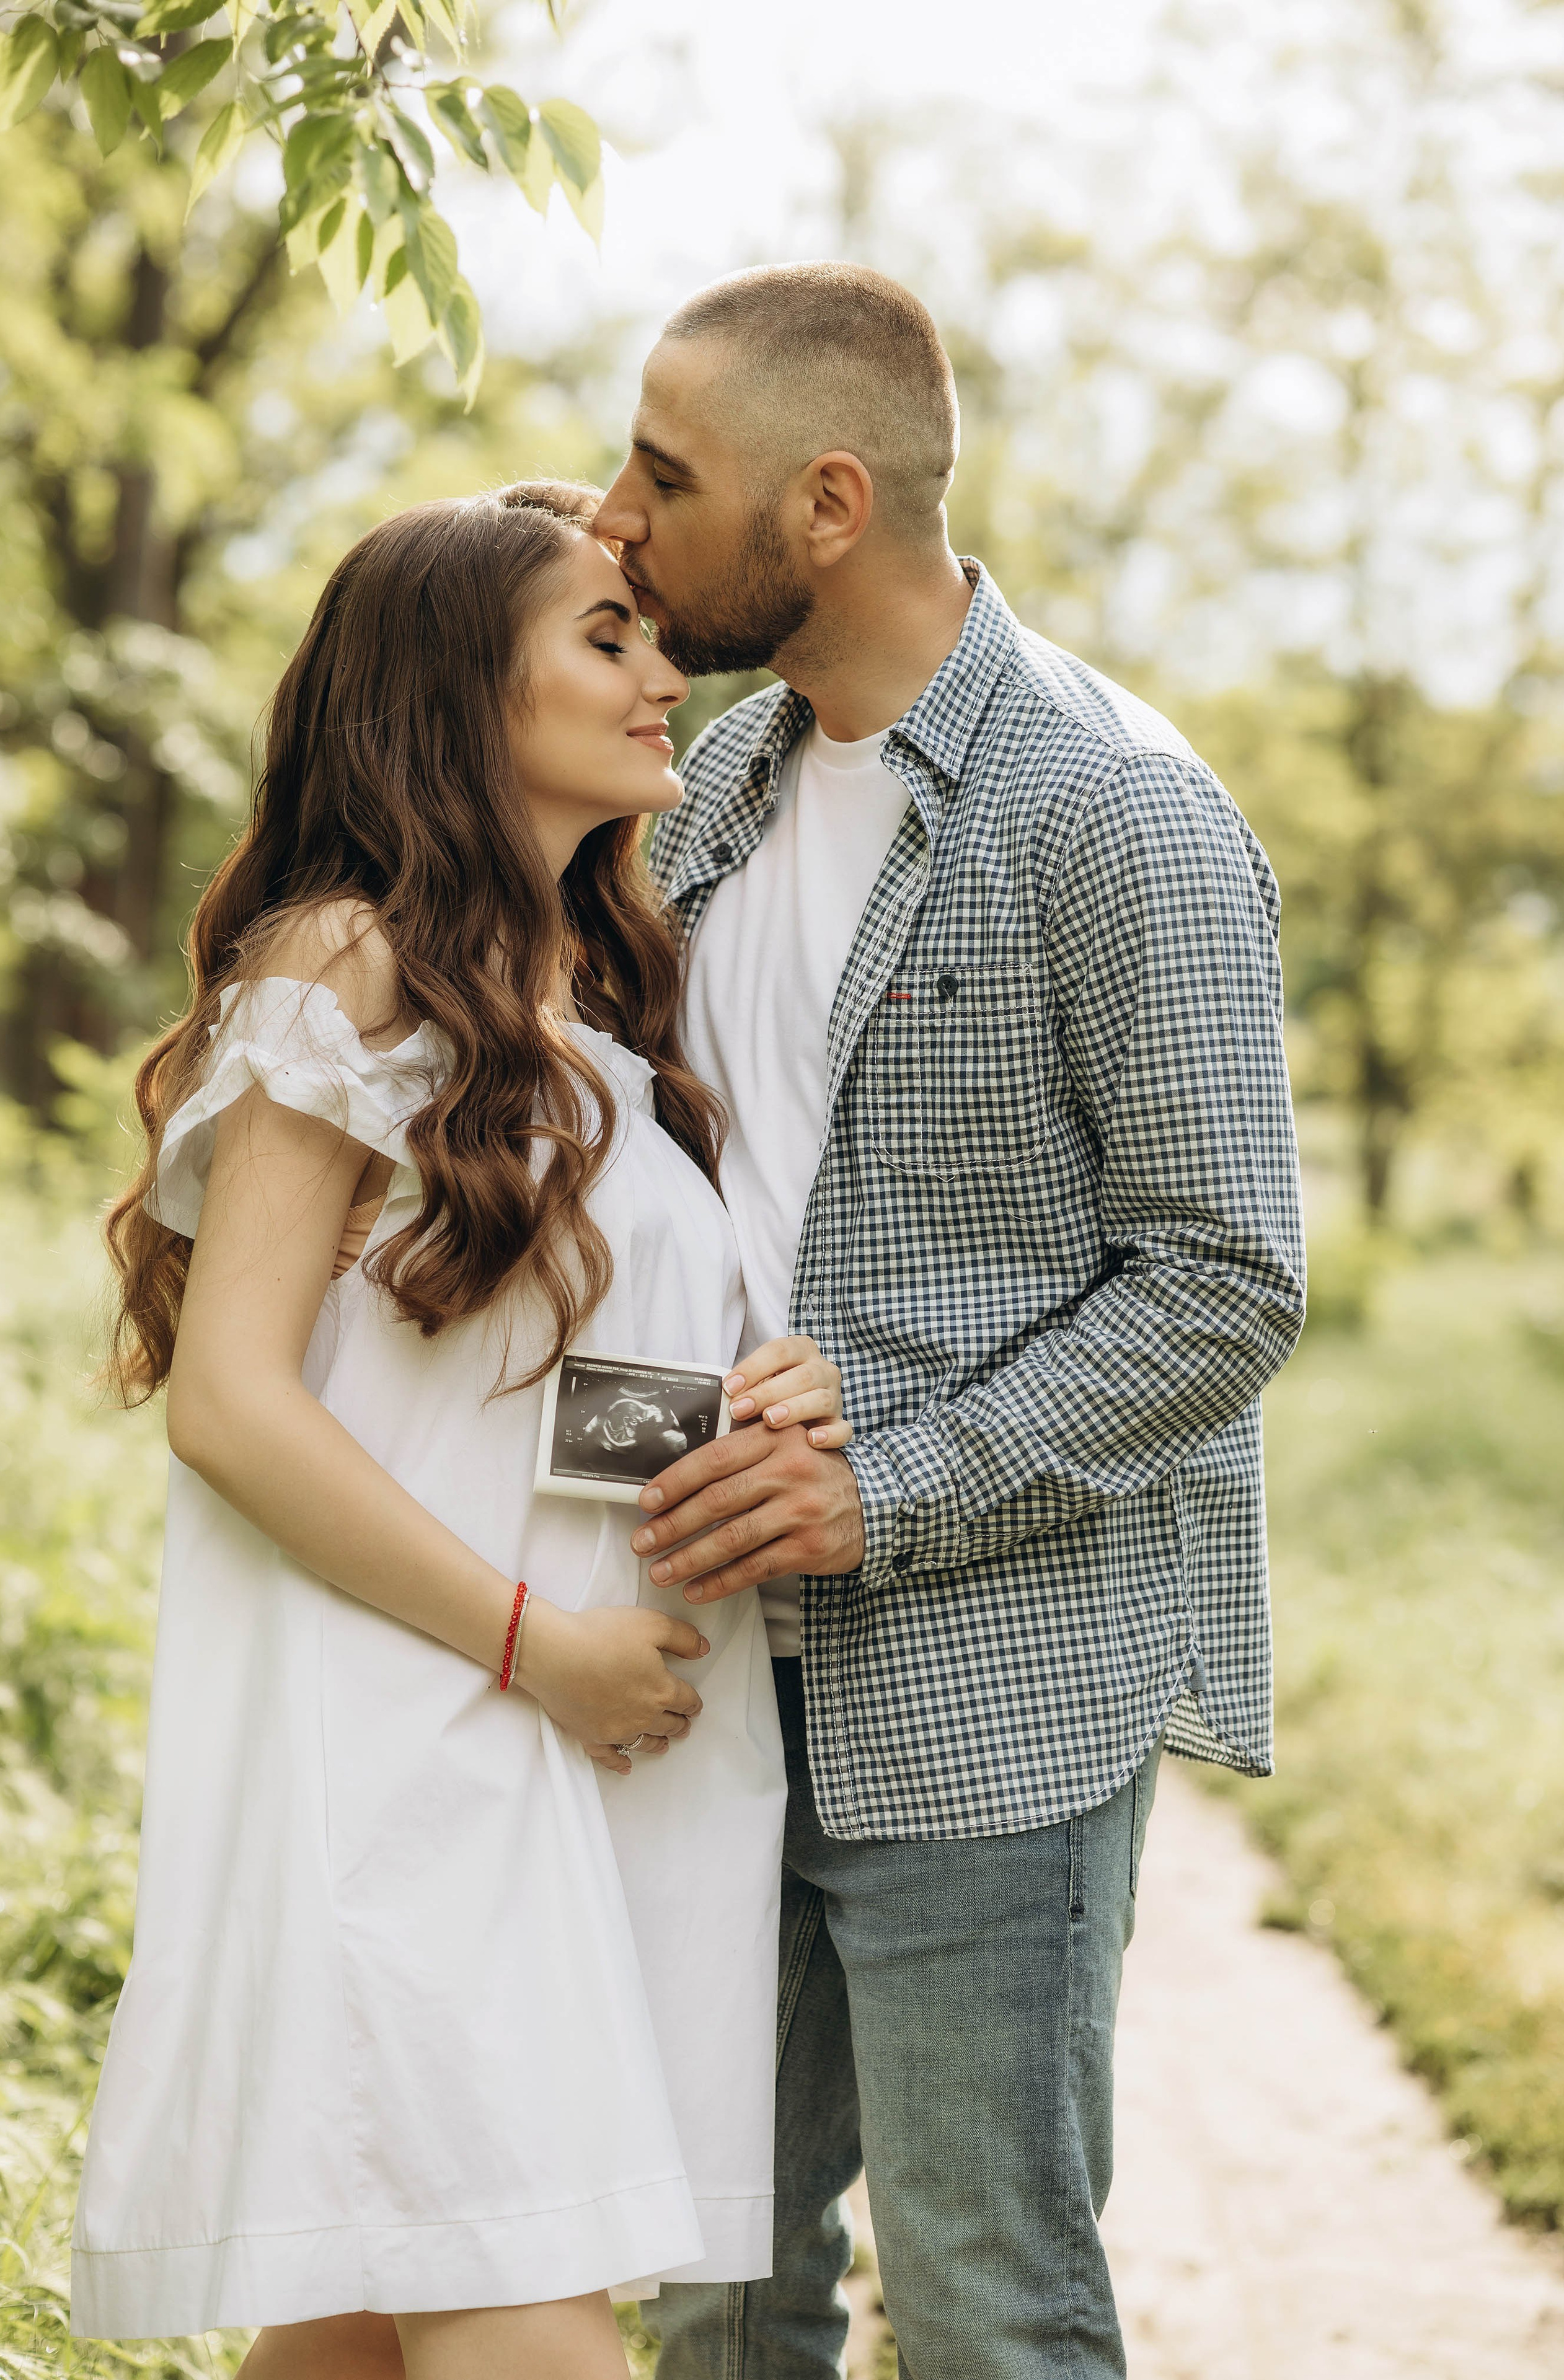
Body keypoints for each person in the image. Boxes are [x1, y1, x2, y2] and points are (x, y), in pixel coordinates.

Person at [593, 264, 1307, 2379]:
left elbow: (1227, 1280)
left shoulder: (1119, 811)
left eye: (660, 474)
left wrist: (879, 1495)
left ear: (826, 503)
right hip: (713, 1674)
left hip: (995, 1697)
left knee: (989, 2308)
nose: (619, 517)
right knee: (721, 2291)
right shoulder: (712, 789)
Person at [69, 483, 854, 2380]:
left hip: (564, 1763)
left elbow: (550, 1391)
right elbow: (235, 1408)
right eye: (609, 637)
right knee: (523, 2315)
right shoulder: (343, 965)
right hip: (415, 1745)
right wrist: (542, 1649)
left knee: (356, 2334)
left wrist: (775, 1392)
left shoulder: (584, 1015)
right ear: (452, 691)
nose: (669, 673)